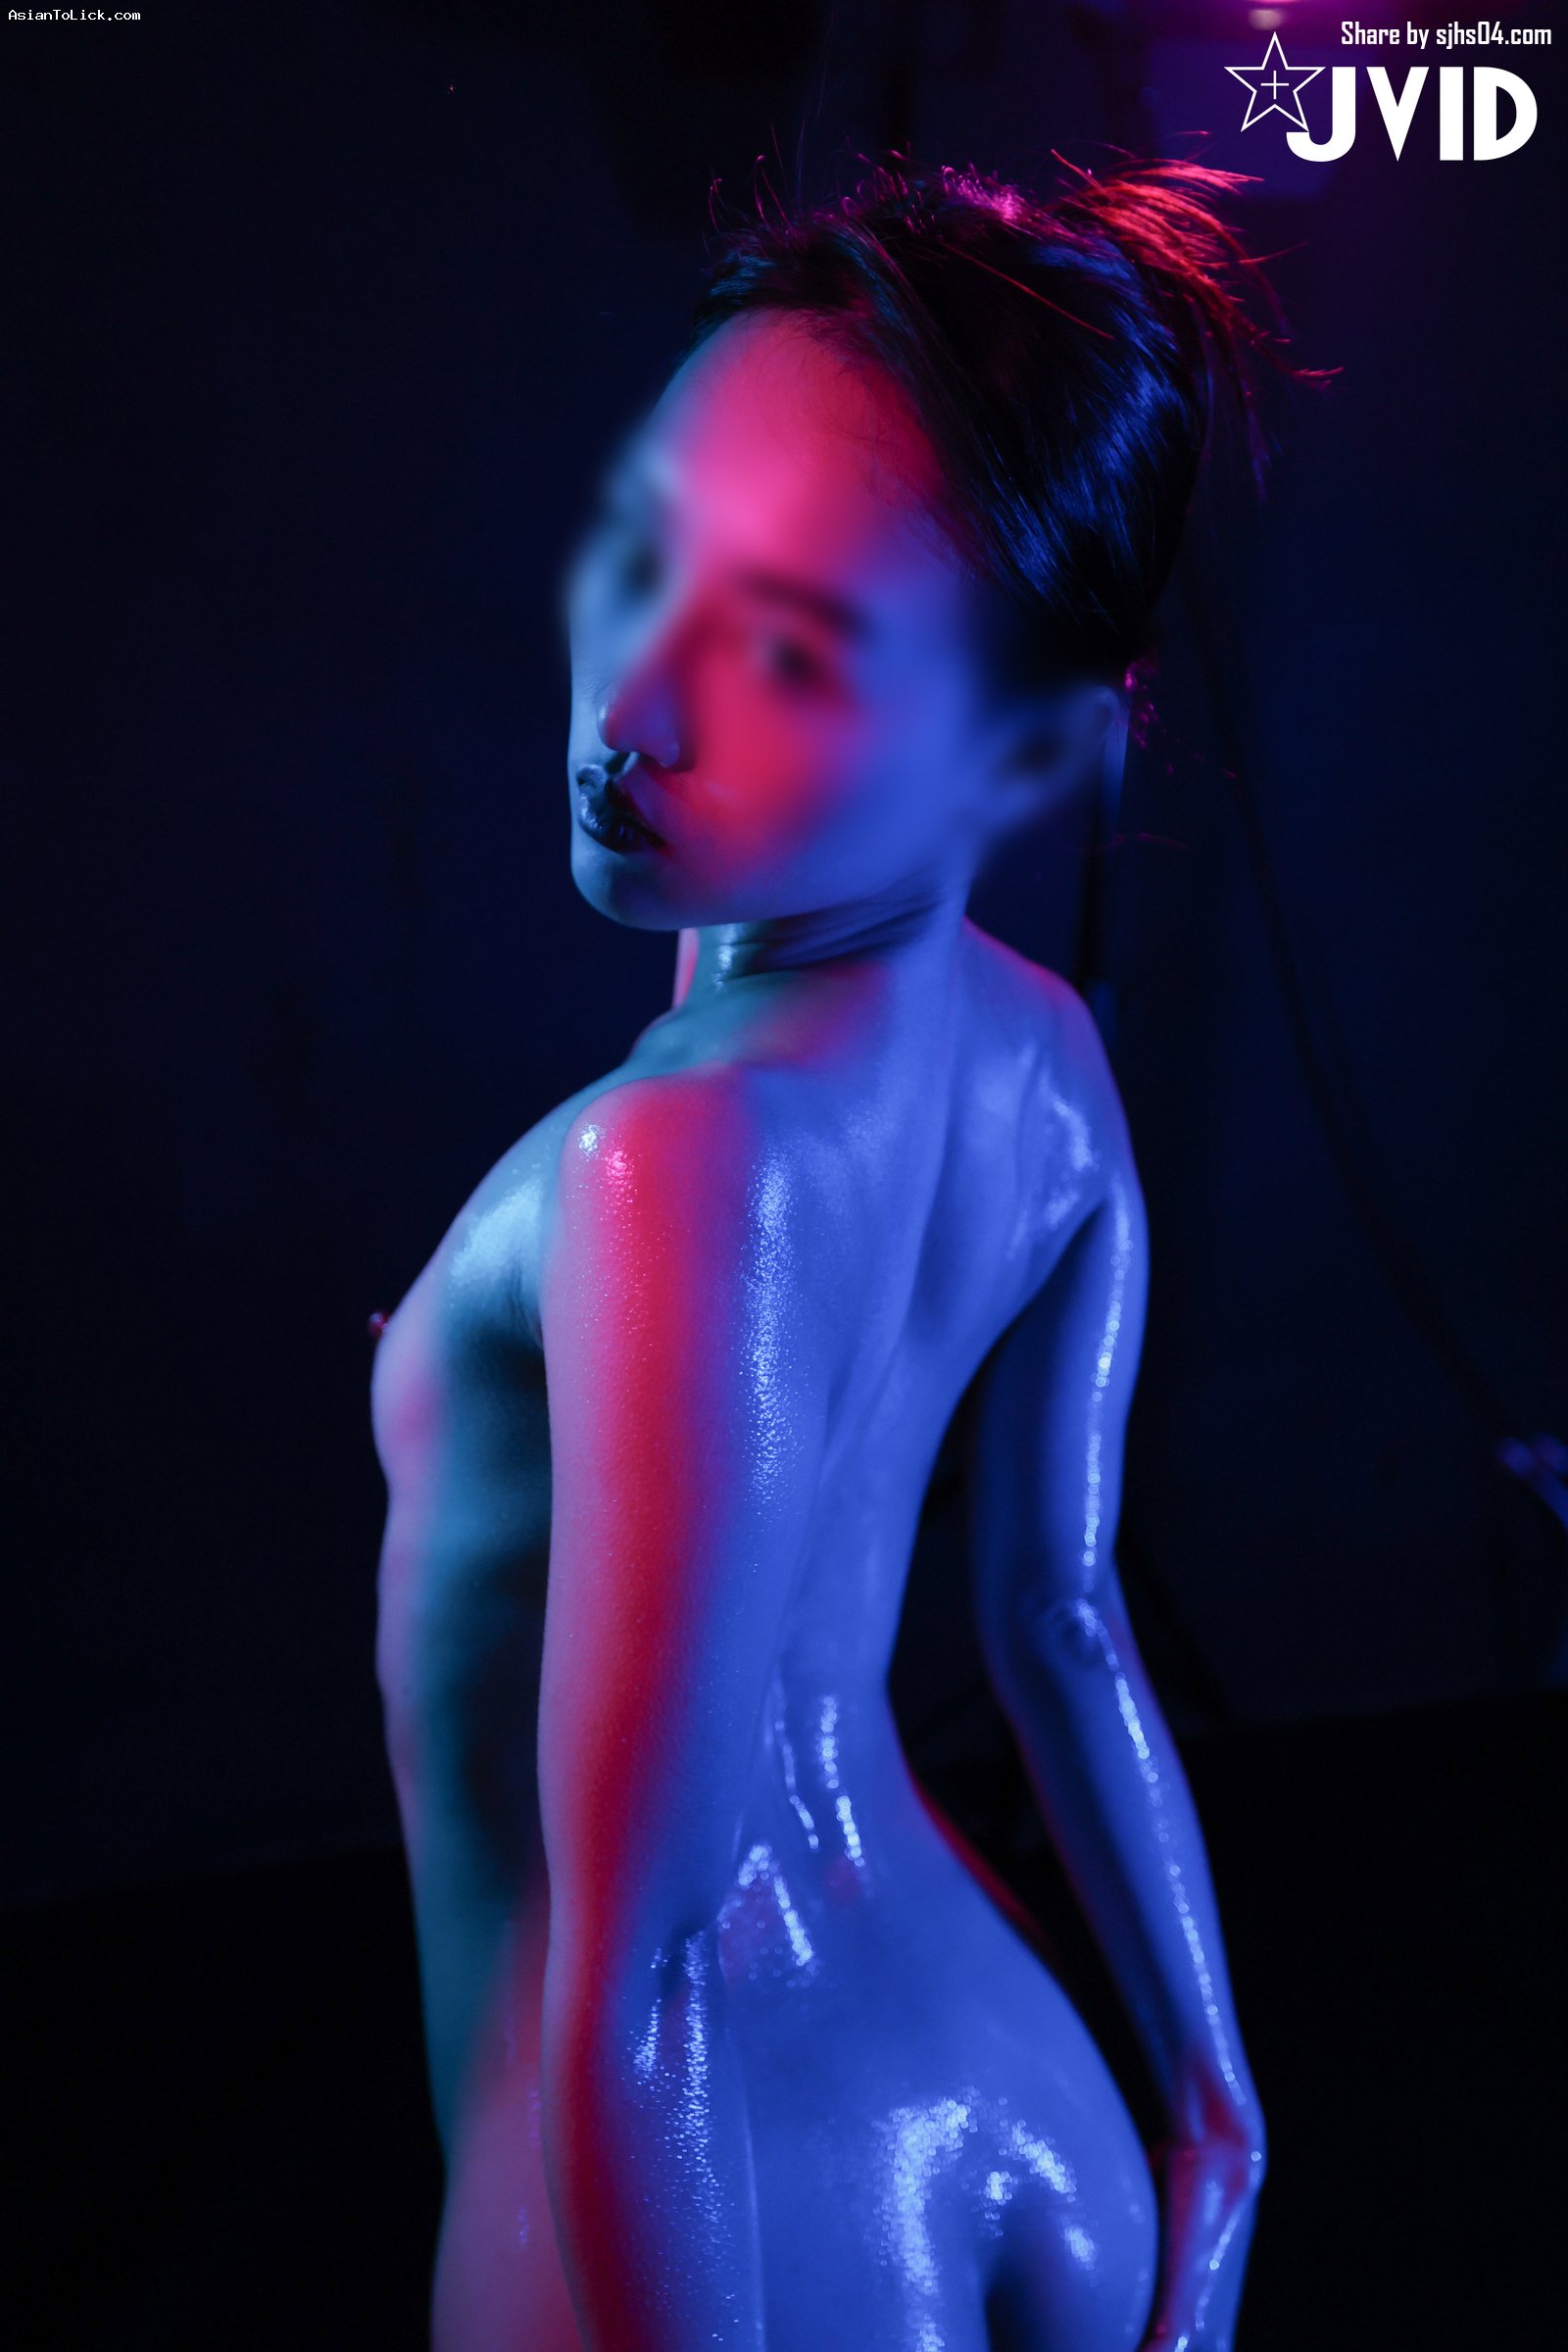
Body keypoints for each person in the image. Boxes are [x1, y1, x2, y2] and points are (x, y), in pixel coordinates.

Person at [372, 157, 1276, 2352]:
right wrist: (1216, 2120)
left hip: (695, 2187)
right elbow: (1061, 1619)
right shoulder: (1045, 1068)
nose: (633, 706)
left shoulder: (668, 1170)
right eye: (647, 550)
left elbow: (655, 1960)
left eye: (791, 645)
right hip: (1027, 2090)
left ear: (1038, 751)